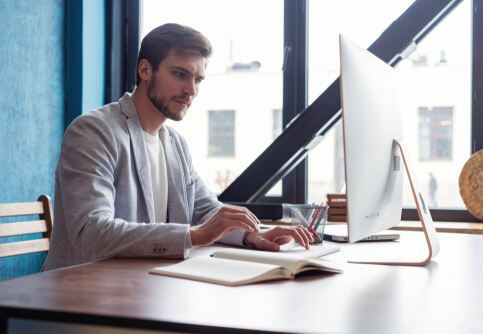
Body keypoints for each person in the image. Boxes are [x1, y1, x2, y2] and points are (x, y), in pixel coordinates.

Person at [43, 23, 312, 271]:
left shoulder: (175, 144)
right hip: (80, 297)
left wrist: (253, 235)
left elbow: (207, 211)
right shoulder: (93, 131)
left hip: (144, 287)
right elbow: (91, 234)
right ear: (145, 70)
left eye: (197, 80)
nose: (191, 90)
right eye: (180, 74)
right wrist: (195, 235)